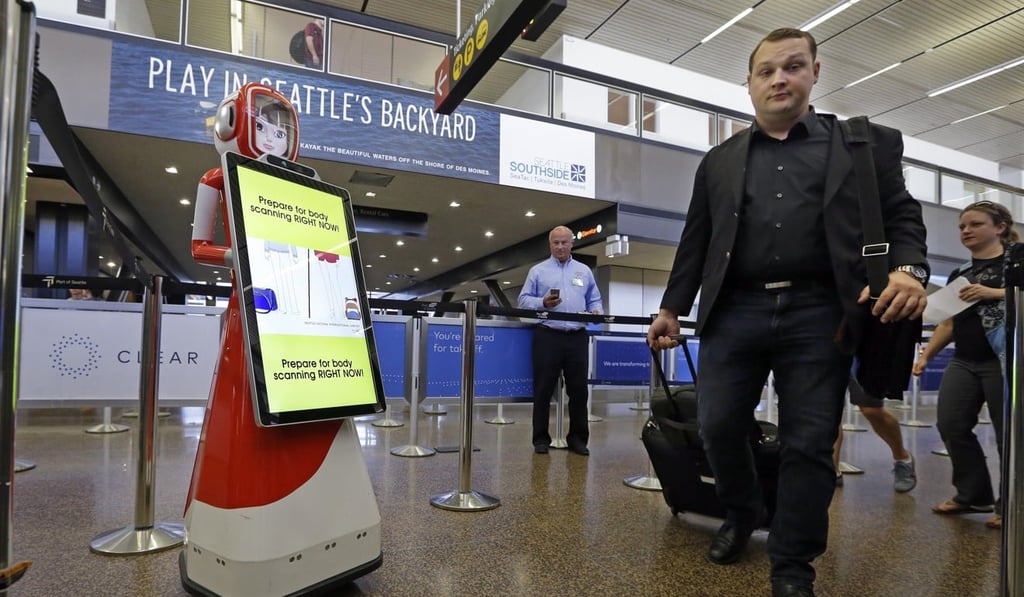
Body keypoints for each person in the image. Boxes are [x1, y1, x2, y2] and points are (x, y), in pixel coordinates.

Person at [646, 28, 928, 597]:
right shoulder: (719, 161)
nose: (780, 78)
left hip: (821, 312)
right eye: (767, 70)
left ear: (815, 73)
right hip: (736, 310)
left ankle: (793, 565)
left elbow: (903, 217)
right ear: (749, 84)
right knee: (720, 425)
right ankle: (742, 510)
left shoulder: (863, 145)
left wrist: (909, 270)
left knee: (808, 441)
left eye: (793, 66)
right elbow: (696, 239)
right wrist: (672, 307)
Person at [913, 200, 1014, 530]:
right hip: (965, 361)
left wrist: (995, 293)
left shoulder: (1016, 264)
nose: (966, 231)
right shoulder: (961, 274)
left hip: (1005, 361)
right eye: (961, 226)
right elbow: (947, 323)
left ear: (999, 227)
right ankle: (973, 494)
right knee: (951, 424)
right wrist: (926, 356)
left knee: (1008, 436)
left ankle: (1010, 505)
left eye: (975, 224)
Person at [518, 226, 603, 456]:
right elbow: (523, 301)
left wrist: (596, 310)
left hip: (576, 337)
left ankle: (578, 439)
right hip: (548, 335)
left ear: (572, 243)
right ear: (550, 245)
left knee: (578, 390)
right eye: (556, 243)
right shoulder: (538, 271)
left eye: (564, 242)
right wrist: (543, 302)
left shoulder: (584, 271)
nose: (560, 247)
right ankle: (540, 439)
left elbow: (595, 298)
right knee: (543, 389)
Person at [833, 375, 916, 492]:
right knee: (829, 410)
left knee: (871, 408)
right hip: (826, 358)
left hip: (859, 359)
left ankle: (902, 457)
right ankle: (832, 470)